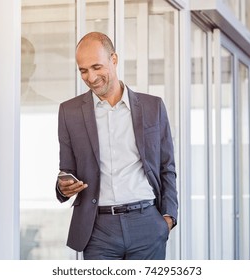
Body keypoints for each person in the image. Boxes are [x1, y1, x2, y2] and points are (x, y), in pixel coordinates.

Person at [55, 32, 178, 260]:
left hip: (146, 223)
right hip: (98, 229)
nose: (91, 77)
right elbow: (66, 169)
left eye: (96, 67)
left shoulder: (153, 107)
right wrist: (64, 187)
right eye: (83, 70)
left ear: (114, 59)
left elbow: (166, 166)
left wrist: (168, 218)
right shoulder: (69, 112)